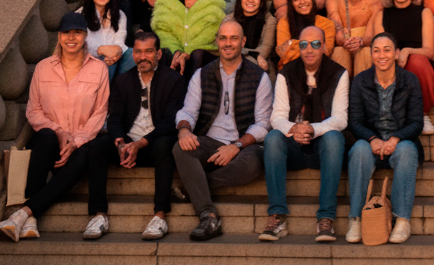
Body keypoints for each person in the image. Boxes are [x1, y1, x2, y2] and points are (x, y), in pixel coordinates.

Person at [0, 13, 109, 243]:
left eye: (77, 32)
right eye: (66, 32)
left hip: (78, 150)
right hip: (48, 149)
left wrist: (74, 141)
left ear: (84, 36)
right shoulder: (43, 68)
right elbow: (33, 111)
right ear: (59, 37)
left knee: (89, 150)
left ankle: (25, 214)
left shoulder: (99, 70)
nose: (72, 37)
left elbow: (99, 114)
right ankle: (29, 217)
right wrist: (60, 133)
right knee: (48, 135)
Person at [174, 18, 271, 241]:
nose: (228, 43)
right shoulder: (201, 74)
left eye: (234, 38)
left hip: (244, 145)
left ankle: (193, 186)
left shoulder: (259, 77)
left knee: (252, 163)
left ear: (243, 41)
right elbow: (188, 111)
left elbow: (263, 124)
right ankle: (208, 215)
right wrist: (184, 130)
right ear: (217, 41)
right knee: (181, 148)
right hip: (210, 141)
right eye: (223, 38)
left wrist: (236, 146)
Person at [85, 29, 186, 242]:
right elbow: (115, 117)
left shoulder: (173, 81)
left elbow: (170, 122)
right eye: (138, 52)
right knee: (96, 147)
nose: (142, 57)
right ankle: (99, 214)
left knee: (166, 144)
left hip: (154, 143)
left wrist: (141, 143)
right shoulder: (123, 81)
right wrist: (120, 142)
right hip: (129, 143)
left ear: (158, 54)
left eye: (148, 51)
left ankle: (160, 215)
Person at [260, 23, 349, 243]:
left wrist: (313, 129)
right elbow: (277, 116)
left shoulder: (339, 73)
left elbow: (340, 118)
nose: (309, 49)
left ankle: (326, 218)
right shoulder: (286, 74)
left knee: (335, 138)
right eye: (304, 44)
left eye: (315, 44)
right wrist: (294, 129)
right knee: (272, 138)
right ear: (298, 47)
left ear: (325, 47)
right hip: (294, 146)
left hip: (323, 148)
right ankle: (277, 216)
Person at [346, 32, 423, 245]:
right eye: (376, 50)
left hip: (400, 142)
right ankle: (356, 218)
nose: (382, 55)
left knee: (407, 151)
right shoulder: (361, 81)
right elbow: (355, 121)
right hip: (370, 141)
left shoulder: (410, 80)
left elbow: (417, 122)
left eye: (387, 50)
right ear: (371, 54)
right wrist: (372, 139)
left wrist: (396, 139)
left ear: (396, 53)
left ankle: (402, 219)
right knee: (359, 150)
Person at [365, 0, 434, 132]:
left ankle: (421, 115)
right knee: (383, 62)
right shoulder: (382, 15)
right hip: (392, 65)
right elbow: (380, 50)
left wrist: (407, 51)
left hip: (422, 68)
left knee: (416, 61)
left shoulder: (424, 13)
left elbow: (429, 50)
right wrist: (397, 55)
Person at [152, 0, 227, 77]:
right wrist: (177, 52)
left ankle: (195, 94)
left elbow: (208, 36)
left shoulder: (213, 3)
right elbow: (164, 33)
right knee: (166, 53)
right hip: (175, 55)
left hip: (203, 56)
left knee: (197, 54)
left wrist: (187, 54)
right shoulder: (167, 2)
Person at [326, 0, 380, 75]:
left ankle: (362, 92)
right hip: (344, 45)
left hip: (365, 45)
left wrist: (360, 41)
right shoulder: (333, 0)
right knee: (339, 52)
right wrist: (345, 41)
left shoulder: (374, 2)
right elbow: (337, 31)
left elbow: (371, 35)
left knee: (365, 52)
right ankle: (341, 93)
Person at [77, 0, 131, 82]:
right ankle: (104, 95)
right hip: (88, 65)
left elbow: (119, 42)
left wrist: (115, 51)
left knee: (132, 54)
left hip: (113, 60)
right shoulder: (79, 15)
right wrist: (101, 50)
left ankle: (118, 92)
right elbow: (80, 47)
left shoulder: (120, 15)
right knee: (104, 62)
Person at [276, 0, 336, 67]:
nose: (302, 1)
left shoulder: (327, 24)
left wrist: (292, 44)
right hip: (291, 71)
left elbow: (325, 53)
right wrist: (314, 46)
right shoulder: (284, 22)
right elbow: (283, 52)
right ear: (291, 4)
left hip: (318, 71)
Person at [234, 0, 277, 75]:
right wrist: (252, 54)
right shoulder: (229, 20)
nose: (250, 0)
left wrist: (243, 54)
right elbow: (228, 47)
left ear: (262, 1)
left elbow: (265, 48)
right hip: (233, 62)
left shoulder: (270, 20)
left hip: (260, 66)